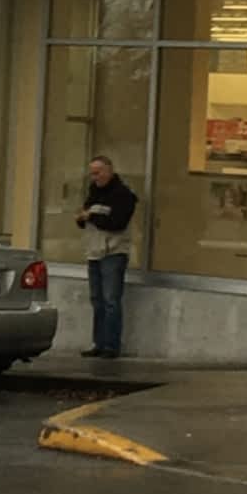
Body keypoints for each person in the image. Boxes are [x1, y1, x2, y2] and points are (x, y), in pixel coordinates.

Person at [76, 154, 139, 360]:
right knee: (97, 300)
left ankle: (111, 345)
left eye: (98, 172)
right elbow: (84, 220)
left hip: (114, 252)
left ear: (109, 171)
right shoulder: (93, 193)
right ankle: (99, 343)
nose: (95, 177)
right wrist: (83, 218)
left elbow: (117, 223)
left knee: (111, 300)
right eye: (92, 173)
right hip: (93, 252)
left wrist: (92, 216)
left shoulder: (123, 195)